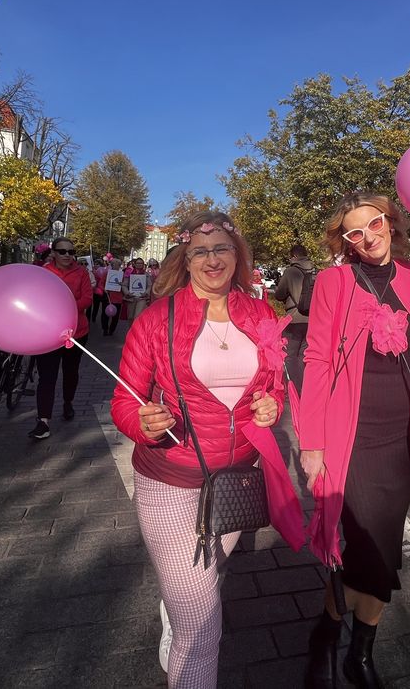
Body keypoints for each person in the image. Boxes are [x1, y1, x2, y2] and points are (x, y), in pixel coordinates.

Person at [110, 211, 290, 688]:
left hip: (235, 478)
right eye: (200, 251)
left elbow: (276, 384)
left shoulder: (262, 315)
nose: (213, 259)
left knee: (203, 582)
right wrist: (144, 423)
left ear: (238, 255)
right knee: (202, 615)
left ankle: (174, 607)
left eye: (222, 249)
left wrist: (274, 406)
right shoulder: (156, 320)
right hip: (169, 477)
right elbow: (124, 400)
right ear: (185, 260)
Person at [298, 192, 410, 689]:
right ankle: (338, 643)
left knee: (382, 546)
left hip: (401, 433)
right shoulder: (334, 281)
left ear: (391, 222)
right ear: (343, 241)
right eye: (353, 232)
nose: (367, 236)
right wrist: (311, 441)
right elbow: (318, 359)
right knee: (368, 547)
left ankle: (350, 645)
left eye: (374, 223)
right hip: (353, 433)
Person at [28, 237, 92, 439]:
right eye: (62, 251)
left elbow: (87, 298)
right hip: (47, 333)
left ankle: (68, 402)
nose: (67, 256)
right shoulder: (44, 273)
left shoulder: (81, 272)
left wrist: (66, 308)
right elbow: (35, 297)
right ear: (53, 252)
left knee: (70, 372)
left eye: (71, 252)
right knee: (47, 376)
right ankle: (43, 421)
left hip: (76, 332)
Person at [274, 243, 316, 392]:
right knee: (302, 356)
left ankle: (293, 390)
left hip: (294, 319)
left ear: (293, 256)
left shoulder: (291, 271)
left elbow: (279, 294)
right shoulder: (315, 270)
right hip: (312, 320)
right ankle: (305, 390)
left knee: (289, 356)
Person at [122, 258, 151, 322]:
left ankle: (136, 330)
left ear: (143, 265)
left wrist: (146, 293)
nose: (139, 264)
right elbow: (124, 285)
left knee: (137, 317)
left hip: (141, 298)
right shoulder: (129, 273)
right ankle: (131, 330)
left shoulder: (146, 274)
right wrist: (127, 293)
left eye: (141, 263)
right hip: (131, 298)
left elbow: (149, 285)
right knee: (130, 317)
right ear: (135, 264)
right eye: (138, 263)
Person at [102, 260, 124, 337]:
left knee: (115, 316)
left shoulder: (122, 275)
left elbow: (125, 286)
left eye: (118, 264)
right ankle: (105, 329)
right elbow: (101, 283)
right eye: (114, 264)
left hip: (118, 298)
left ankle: (111, 330)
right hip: (108, 297)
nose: (116, 266)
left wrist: (122, 285)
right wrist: (104, 289)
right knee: (105, 314)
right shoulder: (107, 274)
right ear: (112, 265)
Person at [91, 258, 109, 323]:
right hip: (96, 291)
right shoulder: (91, 271)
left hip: (103, 291)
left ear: (100, 265)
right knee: (96, 306)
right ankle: (93, 318)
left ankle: (103, 320)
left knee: (104, 308)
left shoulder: (104, 271)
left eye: (97, 264)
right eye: (95, 264)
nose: (96, 265)